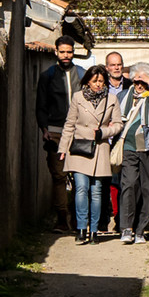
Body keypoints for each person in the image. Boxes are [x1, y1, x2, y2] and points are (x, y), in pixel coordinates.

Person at [59, 64, 123, 244]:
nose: (98, 84)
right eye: (95, 81)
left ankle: (94, 230)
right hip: (79, 149)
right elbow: (69, 124)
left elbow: (118, 124)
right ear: (87, 81)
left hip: (99, 149)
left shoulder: (111, 99)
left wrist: (104, 132)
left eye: (101, 81)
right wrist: (63, 148)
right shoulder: (78, 97)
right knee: (81, 188)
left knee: (96, 192)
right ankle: (81, 227)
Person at [113, 63, 149, 244]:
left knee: (147, 188)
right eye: (136, 81)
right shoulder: (124, 96)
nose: (139, 85)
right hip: (128, 147)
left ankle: (140, 230)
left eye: (142, 81)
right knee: (129, 185)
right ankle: (126, 228)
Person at [34, 36, 82, 232]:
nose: (66, 55)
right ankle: (62, 218)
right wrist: (44, 129)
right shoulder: (48, 76)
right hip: (55, 132)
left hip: (79, 133)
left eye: (69, 52)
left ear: (73, 53)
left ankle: (78, 218)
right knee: (59, 177)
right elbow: (41, 105)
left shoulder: (82, 74)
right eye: (62, 52)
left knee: (79, 177)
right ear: (56, 52)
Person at [99, 52, 129, 233]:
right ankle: (102, 220)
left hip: (122, 140)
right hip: (104, 139)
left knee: (121, 182)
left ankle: (120, 220)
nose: (116, 68)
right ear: (107, 67)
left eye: (119, 64)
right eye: (113, 65)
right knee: (103, 182)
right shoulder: (100, 87)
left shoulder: (131, 86)